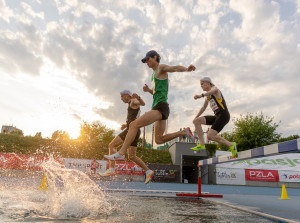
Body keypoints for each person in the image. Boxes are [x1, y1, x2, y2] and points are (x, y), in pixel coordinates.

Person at [104, 50, 196, 184]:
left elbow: (175, 68)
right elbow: (158, 91)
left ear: (155, 57)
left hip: (160, 106)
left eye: (148, 60)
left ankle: (121, 152)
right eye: (145, 61)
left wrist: (187, 69)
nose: (147, 62)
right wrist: (149, 91)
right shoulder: (153, 76)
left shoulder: (161, 67)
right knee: (159, 140)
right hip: (160, 107)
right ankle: (183, 132)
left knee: (133, 125)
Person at [102, 90, 153, 183]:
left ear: (126, 95)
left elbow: (143, 103)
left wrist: (138, 98)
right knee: (132, 156)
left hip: (131, 130)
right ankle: (148, 171)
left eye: (122, 96)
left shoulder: (132, 101)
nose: (121, 99)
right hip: (135, 130)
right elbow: (134, 117)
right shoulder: (131, 103)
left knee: (112, 145)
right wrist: (126, 125)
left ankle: (112, 169)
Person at [190, 77, 237, 157]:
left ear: (208, 83)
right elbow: (203, 108)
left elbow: (215, 90)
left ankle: (231, 145)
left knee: (210, 136)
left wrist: (201, 95)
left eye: (202, 84)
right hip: (216, 116)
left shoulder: (214, 89)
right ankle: (201, 144)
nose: (201, 86)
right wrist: (196, 117)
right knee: (196, 121)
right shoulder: (207, 97)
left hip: (223, 115)